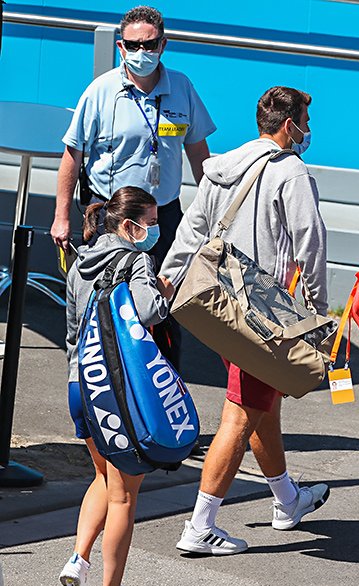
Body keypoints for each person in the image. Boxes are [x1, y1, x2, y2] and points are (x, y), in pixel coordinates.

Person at [159, 86, 329, 555]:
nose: (308, 131)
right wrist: (318, 313)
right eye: (306, 122)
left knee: (260, 404)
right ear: (289, 125)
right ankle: (200, 525)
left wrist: (167, 279)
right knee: (240, 414)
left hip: (219, 308)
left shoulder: (223, 166)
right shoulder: (290, 172)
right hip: (265, 316)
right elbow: (310, 245)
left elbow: (192, 227)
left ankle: (287, 500)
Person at [52, 5, 215, 371]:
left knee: (162, 303)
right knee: (100, 300)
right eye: (132, 45)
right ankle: (99, 388)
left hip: (162, 215)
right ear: (121, 47)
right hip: (109, 214)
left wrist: (211, 216)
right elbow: (72, 155)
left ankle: (162, 388)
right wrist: (61, 216)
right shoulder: (101, 91)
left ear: (163, 44)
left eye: (150, 44)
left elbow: (199, 157)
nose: (142, 52)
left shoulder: (182, 88)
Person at [60, 186, 169, 586]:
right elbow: (148, 311)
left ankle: (78, 560)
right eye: (152, 223)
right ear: (129, 225)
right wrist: (165, 293)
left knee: (103, 477)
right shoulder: (137, 259)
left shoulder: (79, 263)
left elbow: (71, 333)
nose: (156, 230)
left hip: (79, 383)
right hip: (119, 391)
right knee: (125, 495)